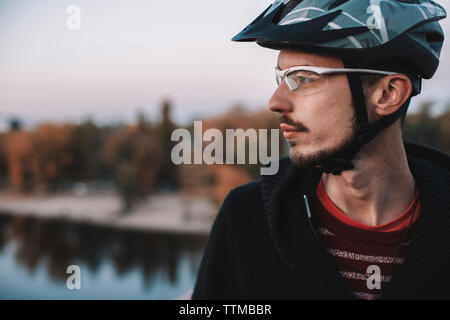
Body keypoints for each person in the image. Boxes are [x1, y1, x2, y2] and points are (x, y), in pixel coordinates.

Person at [192, 0, 449, 300]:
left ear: (388, 94)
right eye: (282, 78)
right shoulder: (246, 219)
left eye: (302, 78)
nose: (275, 102)